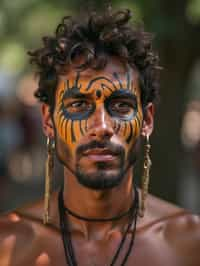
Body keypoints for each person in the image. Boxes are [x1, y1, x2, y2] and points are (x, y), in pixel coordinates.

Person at [0, 7, 200, 266]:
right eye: (78, 105)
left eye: (120, 106)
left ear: (147, 120)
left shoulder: (189, 243)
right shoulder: (9, 245)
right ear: (49, 121)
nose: (102, 126)